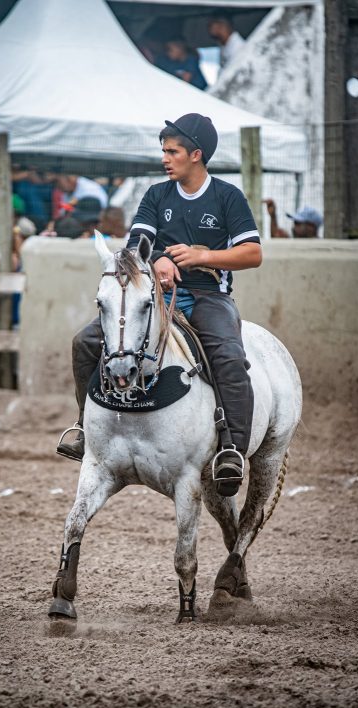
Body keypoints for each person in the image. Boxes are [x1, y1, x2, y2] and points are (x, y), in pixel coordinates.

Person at [57, 113, 262, 494]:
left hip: (208, 296)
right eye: (163, 151)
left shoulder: (227, 196)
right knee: (84, 342)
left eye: (172, 151)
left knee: (230, 357)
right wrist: (158, 260)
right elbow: (135, 246)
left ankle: (231, 449)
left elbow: (252, 253)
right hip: (155, 296)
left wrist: (203, 257)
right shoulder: (156, 195)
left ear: (196, 154)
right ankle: (85, 427)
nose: (164, 158)